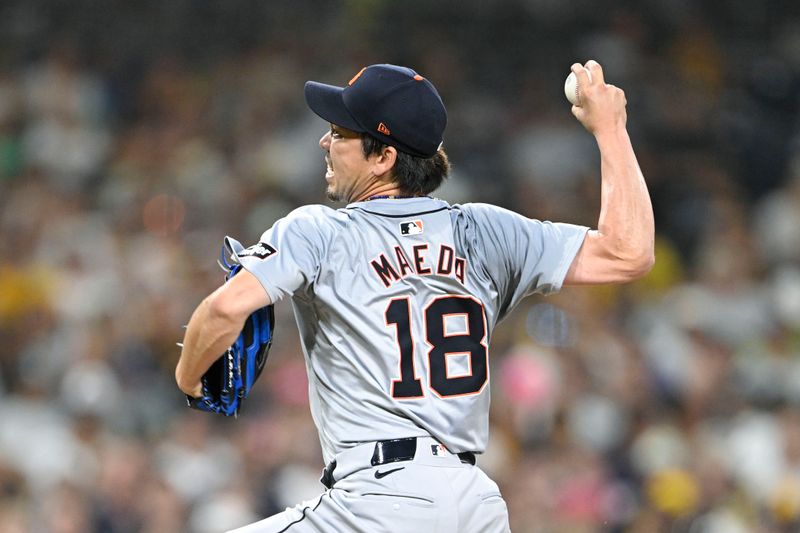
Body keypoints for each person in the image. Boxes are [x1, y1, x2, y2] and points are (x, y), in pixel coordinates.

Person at [175, 61, 654, 532]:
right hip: (475, 504)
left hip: (378, 502)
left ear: (383, 158)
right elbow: (628, 253)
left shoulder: (318, 231)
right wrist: (610, 129)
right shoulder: (487, 231)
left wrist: (190, 378)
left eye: (341, 132)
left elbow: (224, 310)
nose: (326, 141)